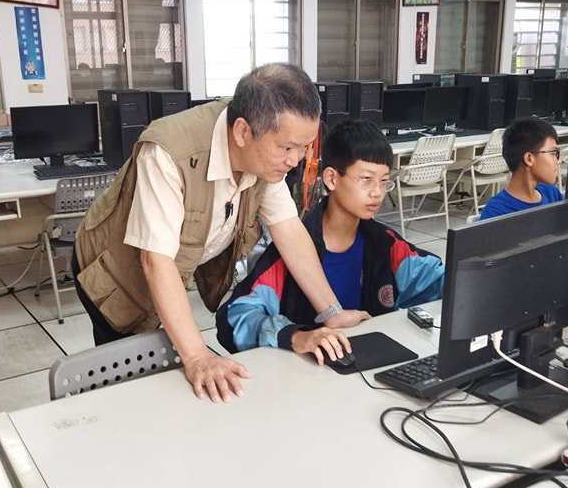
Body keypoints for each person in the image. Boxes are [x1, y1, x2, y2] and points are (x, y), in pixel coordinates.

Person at [71, 63, 368, 403]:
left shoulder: (261, 150)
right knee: (128, 373)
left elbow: (289, 230)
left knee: (173, 361)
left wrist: (332, 313)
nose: (296, 160)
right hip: (111, 270)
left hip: (169, 265)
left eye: (304, 147)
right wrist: (198, 356)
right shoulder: (168, 152)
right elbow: (155, 261)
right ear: (242, 132)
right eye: (287, 148)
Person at [216, 120, 445, 363]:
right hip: (306, 373)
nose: (377, 192)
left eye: (383, 181)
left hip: (370, 365)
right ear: (331, 178)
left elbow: (441, 281)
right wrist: (295, 336)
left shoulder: (385, 245)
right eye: (366, 179)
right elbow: (234, 317)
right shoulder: (291, 251)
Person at [479, 118, 563, 220]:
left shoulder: (552, 194)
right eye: (553, 153)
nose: (559, 161)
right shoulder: (496, 212)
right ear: (529, 158)